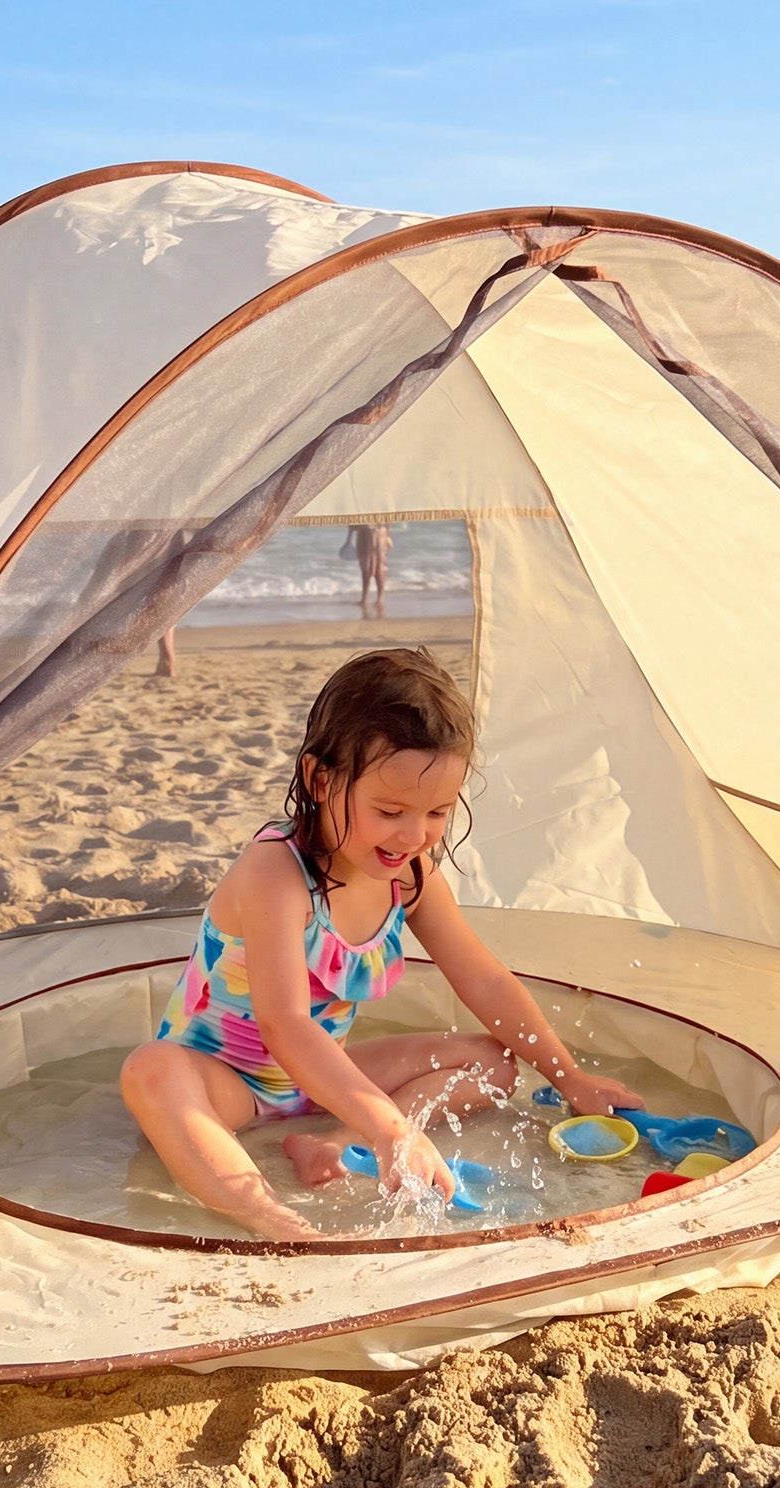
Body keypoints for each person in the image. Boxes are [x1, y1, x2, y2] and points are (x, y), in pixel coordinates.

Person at [117, 648, 640, 1237]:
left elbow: (485, 979)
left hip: (323, 1079)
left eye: (437, 812)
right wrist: (389, 1125)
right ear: (320, 779)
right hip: (226, 1081)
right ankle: (273, 1219)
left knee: (496, 1062)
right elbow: (285, 1026)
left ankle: (332, 1144)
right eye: (390, 810)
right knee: (151, 1069)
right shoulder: (277, 872)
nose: (414, 835)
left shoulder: (410, 874)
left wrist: (569, 1076)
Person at [353, 522, 391, 617]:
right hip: (362, 527)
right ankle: (364, 598)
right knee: (364, 566)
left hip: (377, 527)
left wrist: (388, 534)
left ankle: (380, 598)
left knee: (378, 566)